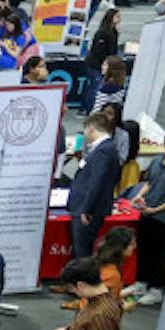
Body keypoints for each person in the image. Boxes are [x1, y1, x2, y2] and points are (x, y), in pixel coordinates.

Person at [125, 132, 165, 308]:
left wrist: (157, 209)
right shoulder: (156, 161)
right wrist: (138, 196)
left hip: (164, 219)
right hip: (146, 214)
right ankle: (140, 284)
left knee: (159, 255)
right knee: (144, 250)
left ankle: (156, 290)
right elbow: (149, 183)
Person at [66, 107, 121, 260]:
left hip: (87, 210)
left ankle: (82, 281)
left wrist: (86, 209)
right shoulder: (107, 148)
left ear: (90, 128)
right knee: (79, 249)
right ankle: (76, 281)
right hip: (87, 207)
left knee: (82, 251)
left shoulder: (103, 151)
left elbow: (97, 182)